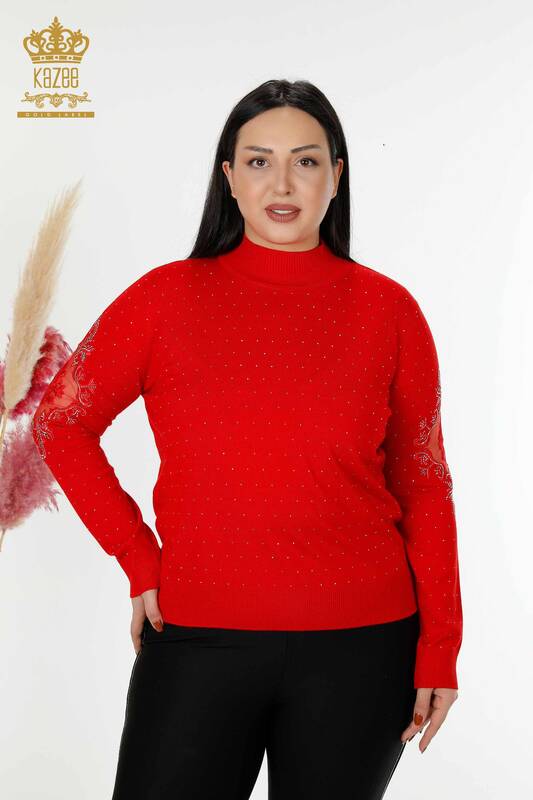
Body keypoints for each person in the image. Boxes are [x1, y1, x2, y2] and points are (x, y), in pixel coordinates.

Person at [32, 79, 463, 799]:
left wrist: (440, 647)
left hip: (364, 647)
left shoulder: (390, 312)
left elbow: (423, 482)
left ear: (336, 176)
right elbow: (59, 422)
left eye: (306, 161)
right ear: (228, 178)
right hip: (196, 636)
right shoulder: (163, 299)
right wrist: (137, 555)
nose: (282, 184)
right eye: (259, 162)